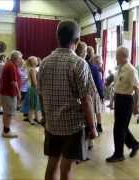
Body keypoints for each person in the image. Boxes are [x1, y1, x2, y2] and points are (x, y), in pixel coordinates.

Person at [37, 20, 97, 180]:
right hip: (73, 126)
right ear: (77, 41)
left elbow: (41, 94)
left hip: (52, 124)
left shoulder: (44, 62)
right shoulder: (79, 63)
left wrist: (45, 117)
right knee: (67, 168)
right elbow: (86, 100)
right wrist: (92, 127)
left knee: (52, 163)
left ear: (57, 37)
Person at [106, 46, 139, 163]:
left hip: (127, 100)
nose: (115, 58)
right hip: (119, 99)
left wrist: (136, 106)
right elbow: (116, 82)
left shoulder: (131, 70)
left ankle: (119, 154)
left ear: (123, 56)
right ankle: (135, 144)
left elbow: (137, 89)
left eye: (117, 56)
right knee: (121, 127)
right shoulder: (119, 68)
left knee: (119, 129)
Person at [0, 50, 22, 138]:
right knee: (8, 113)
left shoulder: (11, 64)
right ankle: (6, 131)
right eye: (21, 58)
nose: (21, 60)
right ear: (16, 58)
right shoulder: (11, 66)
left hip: (7, 92)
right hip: (9, 93)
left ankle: (6, 129)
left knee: (7, 112)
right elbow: (13, 81)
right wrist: (19, 93)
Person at [21, 56, 42, 125]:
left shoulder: (32, 69)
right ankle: (31, 119)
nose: (37, 61)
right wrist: (38, 88)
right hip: (33, 89)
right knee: (33, 105)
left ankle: (37, 118)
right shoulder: (32, 70)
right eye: (36, 60)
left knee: (36, 104)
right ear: (33, 62)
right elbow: (34, 82)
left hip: (32, 89)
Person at [89, 55, 105, 133]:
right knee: (97, 110)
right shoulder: (98, 70)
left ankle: (98, 125)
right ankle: (98, 125)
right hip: (96, 92)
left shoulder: (96, 70)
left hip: (95, 92)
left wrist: (101, 94)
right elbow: (100, 84)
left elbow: (100, 83)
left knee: (95, 110)